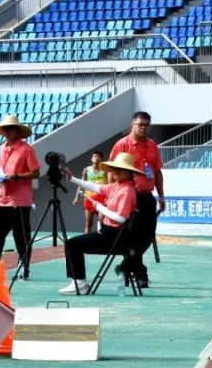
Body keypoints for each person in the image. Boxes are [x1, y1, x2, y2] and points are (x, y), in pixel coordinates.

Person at [59, 153, 141, 295]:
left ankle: (79, 283)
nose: (114, 171)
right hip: (108, 233)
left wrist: (100, 208)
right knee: (73, 243)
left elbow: (121, 218)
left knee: (72, 244)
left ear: (128, 172)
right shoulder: (116, 186)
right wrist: (72, 179)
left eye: (118, 169)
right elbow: (94, 187)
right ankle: (79, 282)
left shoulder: (127, 191)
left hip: (114, 237)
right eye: (114, 168)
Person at [110, 111, 164, 288]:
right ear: (132, 125)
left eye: (146, 125)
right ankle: (140, 274)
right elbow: (112, 172)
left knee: (147, 235)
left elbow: (157, 172)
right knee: (133, 236)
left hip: (147, 196)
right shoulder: (122, 144)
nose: (143, 128)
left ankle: (126, 266)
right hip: (129, 195)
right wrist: (114, 196)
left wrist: (161, 195)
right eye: (140, 124)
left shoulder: (152, 145)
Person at [0, 115, 40, 277]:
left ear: (17, 131)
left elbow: (36, 172)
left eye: (10, 129)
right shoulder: (2, 148)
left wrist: (17, 176)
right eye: (5, 129)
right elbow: (1, 168)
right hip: (1, 198)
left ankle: (24, 265)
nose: (7, 132)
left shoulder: (26, 149)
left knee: (21, 235)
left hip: (20, 200)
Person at [73, 151, 107, 235]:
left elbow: (108, 185)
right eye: (95, 156)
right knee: (88, 223)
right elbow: (81, 184)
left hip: (101, 199)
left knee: (102, 222)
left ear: (101, 159)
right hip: (89, 198)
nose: (96, 158)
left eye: (99, 156)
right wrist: (76, 197)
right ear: (91, 159)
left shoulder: (105, 170)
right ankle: (86, 242)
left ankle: (102, 242)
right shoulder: (87, 170)